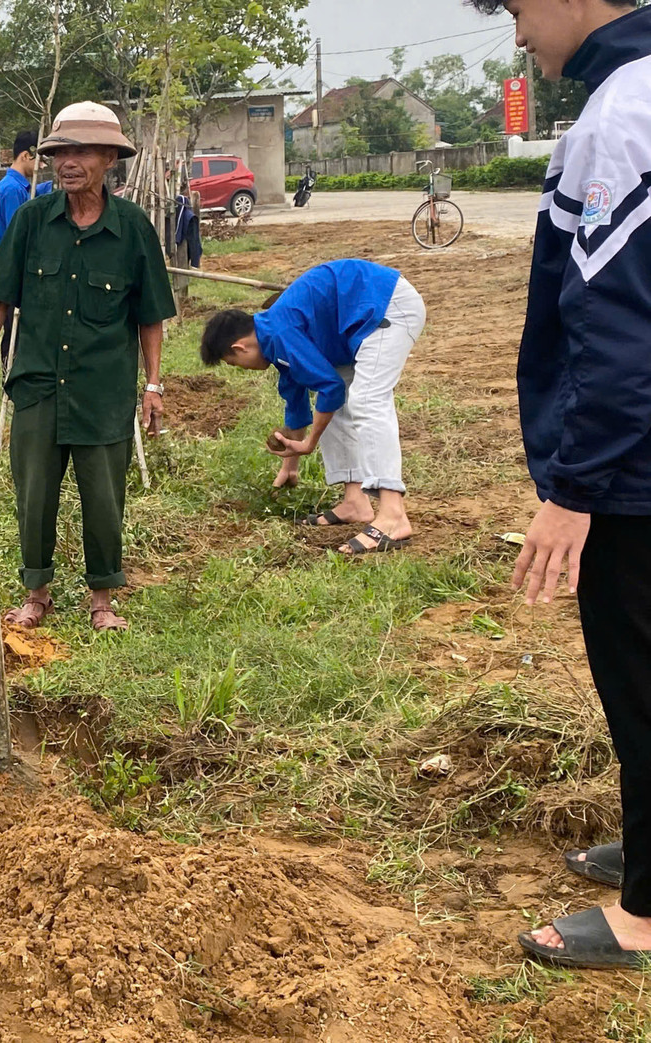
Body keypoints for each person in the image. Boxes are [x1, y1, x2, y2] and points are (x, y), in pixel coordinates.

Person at [465, 0, 651, 969]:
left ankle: (640, 915)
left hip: (632, 477)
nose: (519, 36)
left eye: (520, 9)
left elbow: (618, 339)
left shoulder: (622, 117)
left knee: (639, 681)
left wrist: (572, 488)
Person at [0, 101, 177, 633]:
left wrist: (153, 383)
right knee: (33, 494)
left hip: (104, 391)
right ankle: (36, 594)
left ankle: (102, 600)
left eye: (81, 151)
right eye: (60, 151)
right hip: (38, 386)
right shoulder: (31, 221)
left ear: (110, 157)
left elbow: (150, 315)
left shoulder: (133, 229)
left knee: (105, 498)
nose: (67, 162)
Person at [199, 260, 427, 555]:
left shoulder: (281, 331)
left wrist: (310, 443)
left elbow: (328, 387)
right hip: (353, 325)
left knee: (366, 399)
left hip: (385, 308)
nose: (242, 369)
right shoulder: (274, 337)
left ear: (240, 348)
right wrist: (289, 463)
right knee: (338, 404)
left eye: (234, 364)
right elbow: (296, 403)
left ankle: (393, 514)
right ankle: (355, 501)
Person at [0, 130, 41, 372]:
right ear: (25, 155)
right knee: (13, 328)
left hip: (17, 267)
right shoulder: (12, 189)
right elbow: (17, 233)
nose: (41, 166)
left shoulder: (20, 187)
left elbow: (35, 196)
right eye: (38, 159)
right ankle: (8, 374)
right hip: (13, 268)